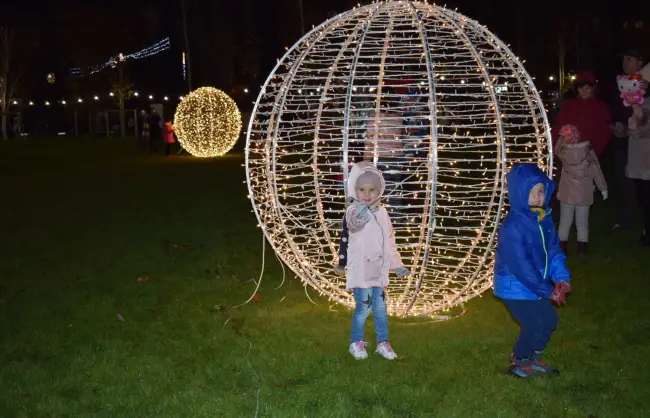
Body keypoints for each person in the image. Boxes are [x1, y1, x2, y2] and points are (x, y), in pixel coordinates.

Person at [493, 163, 572, 378]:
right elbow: (521, 267)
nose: (538, 197)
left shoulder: (543, 219)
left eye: (541, 191)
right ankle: (519, 361)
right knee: (535, 324)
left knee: (550, 322)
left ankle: (533, 357)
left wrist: (561, 278)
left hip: (537, 284)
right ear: (519, 193)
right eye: (531, 192)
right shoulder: (513, 227)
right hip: (514, 285)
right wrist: (548, 291)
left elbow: (554, 251)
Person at [342, 161, 410, 361]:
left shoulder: (382, 212)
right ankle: (356, 342)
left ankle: (383, 342)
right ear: (355, 189)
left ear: (379, 190)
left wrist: (396, 264)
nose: (367, 194)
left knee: (380, 308)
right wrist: (362, 212)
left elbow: (389, 240)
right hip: (362, 271)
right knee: (363, 308)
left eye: (372, 189)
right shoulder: (353, 210)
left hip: (378, 271)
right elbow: (353, 226)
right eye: (362, 189)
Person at [555, 124, 608, 256]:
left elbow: (556, 149)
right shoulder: (588, 152)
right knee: (582, 223)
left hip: (567, 194)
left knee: (565, 222)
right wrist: (603, 189)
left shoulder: (562, 152)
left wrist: (561, 140)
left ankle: (561, 248)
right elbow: (597, 171)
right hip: (584, 194)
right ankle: (582, 249)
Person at [610, 50, 643, 231]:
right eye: (623, 59)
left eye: (629, 58)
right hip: (623, 143)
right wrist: (615, 124)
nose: (625, 62)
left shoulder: (644, 84)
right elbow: (613, 108)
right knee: (624, 182)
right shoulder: (619, 84)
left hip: (642, 141)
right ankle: (625, 219)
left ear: (639, 62)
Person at [627, 63, 650, 246]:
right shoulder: (636, 102)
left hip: (647, 158)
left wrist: (638, 128)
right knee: (642, 197)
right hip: (637, 158)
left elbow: (643, 129)